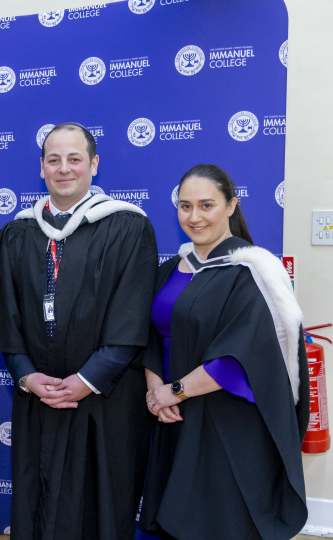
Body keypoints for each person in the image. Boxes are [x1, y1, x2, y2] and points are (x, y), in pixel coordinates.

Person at [0, 122, 158, 540]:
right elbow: (4, 314)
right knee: (37, 497)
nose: (64, 169)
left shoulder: (128, 228)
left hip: (104, 399)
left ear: (94, 165)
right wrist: (25, 375)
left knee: (100, 504)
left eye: (75, 159)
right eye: (54, 160)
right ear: (41, 168)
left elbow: (131, 316)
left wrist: (86, 380)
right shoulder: (17, 232)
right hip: (39, 397)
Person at [138, 164, 309, 540]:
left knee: (218, 521)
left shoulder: (253, 272)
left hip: (226, 418)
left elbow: (240, 357)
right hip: (173, 413)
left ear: (231, 205)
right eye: (185, 206)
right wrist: (156, 392)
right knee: (178, 516)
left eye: (206, 205)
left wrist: (173, 391)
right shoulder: (170, 269)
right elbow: (147, 336)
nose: (194, 217)